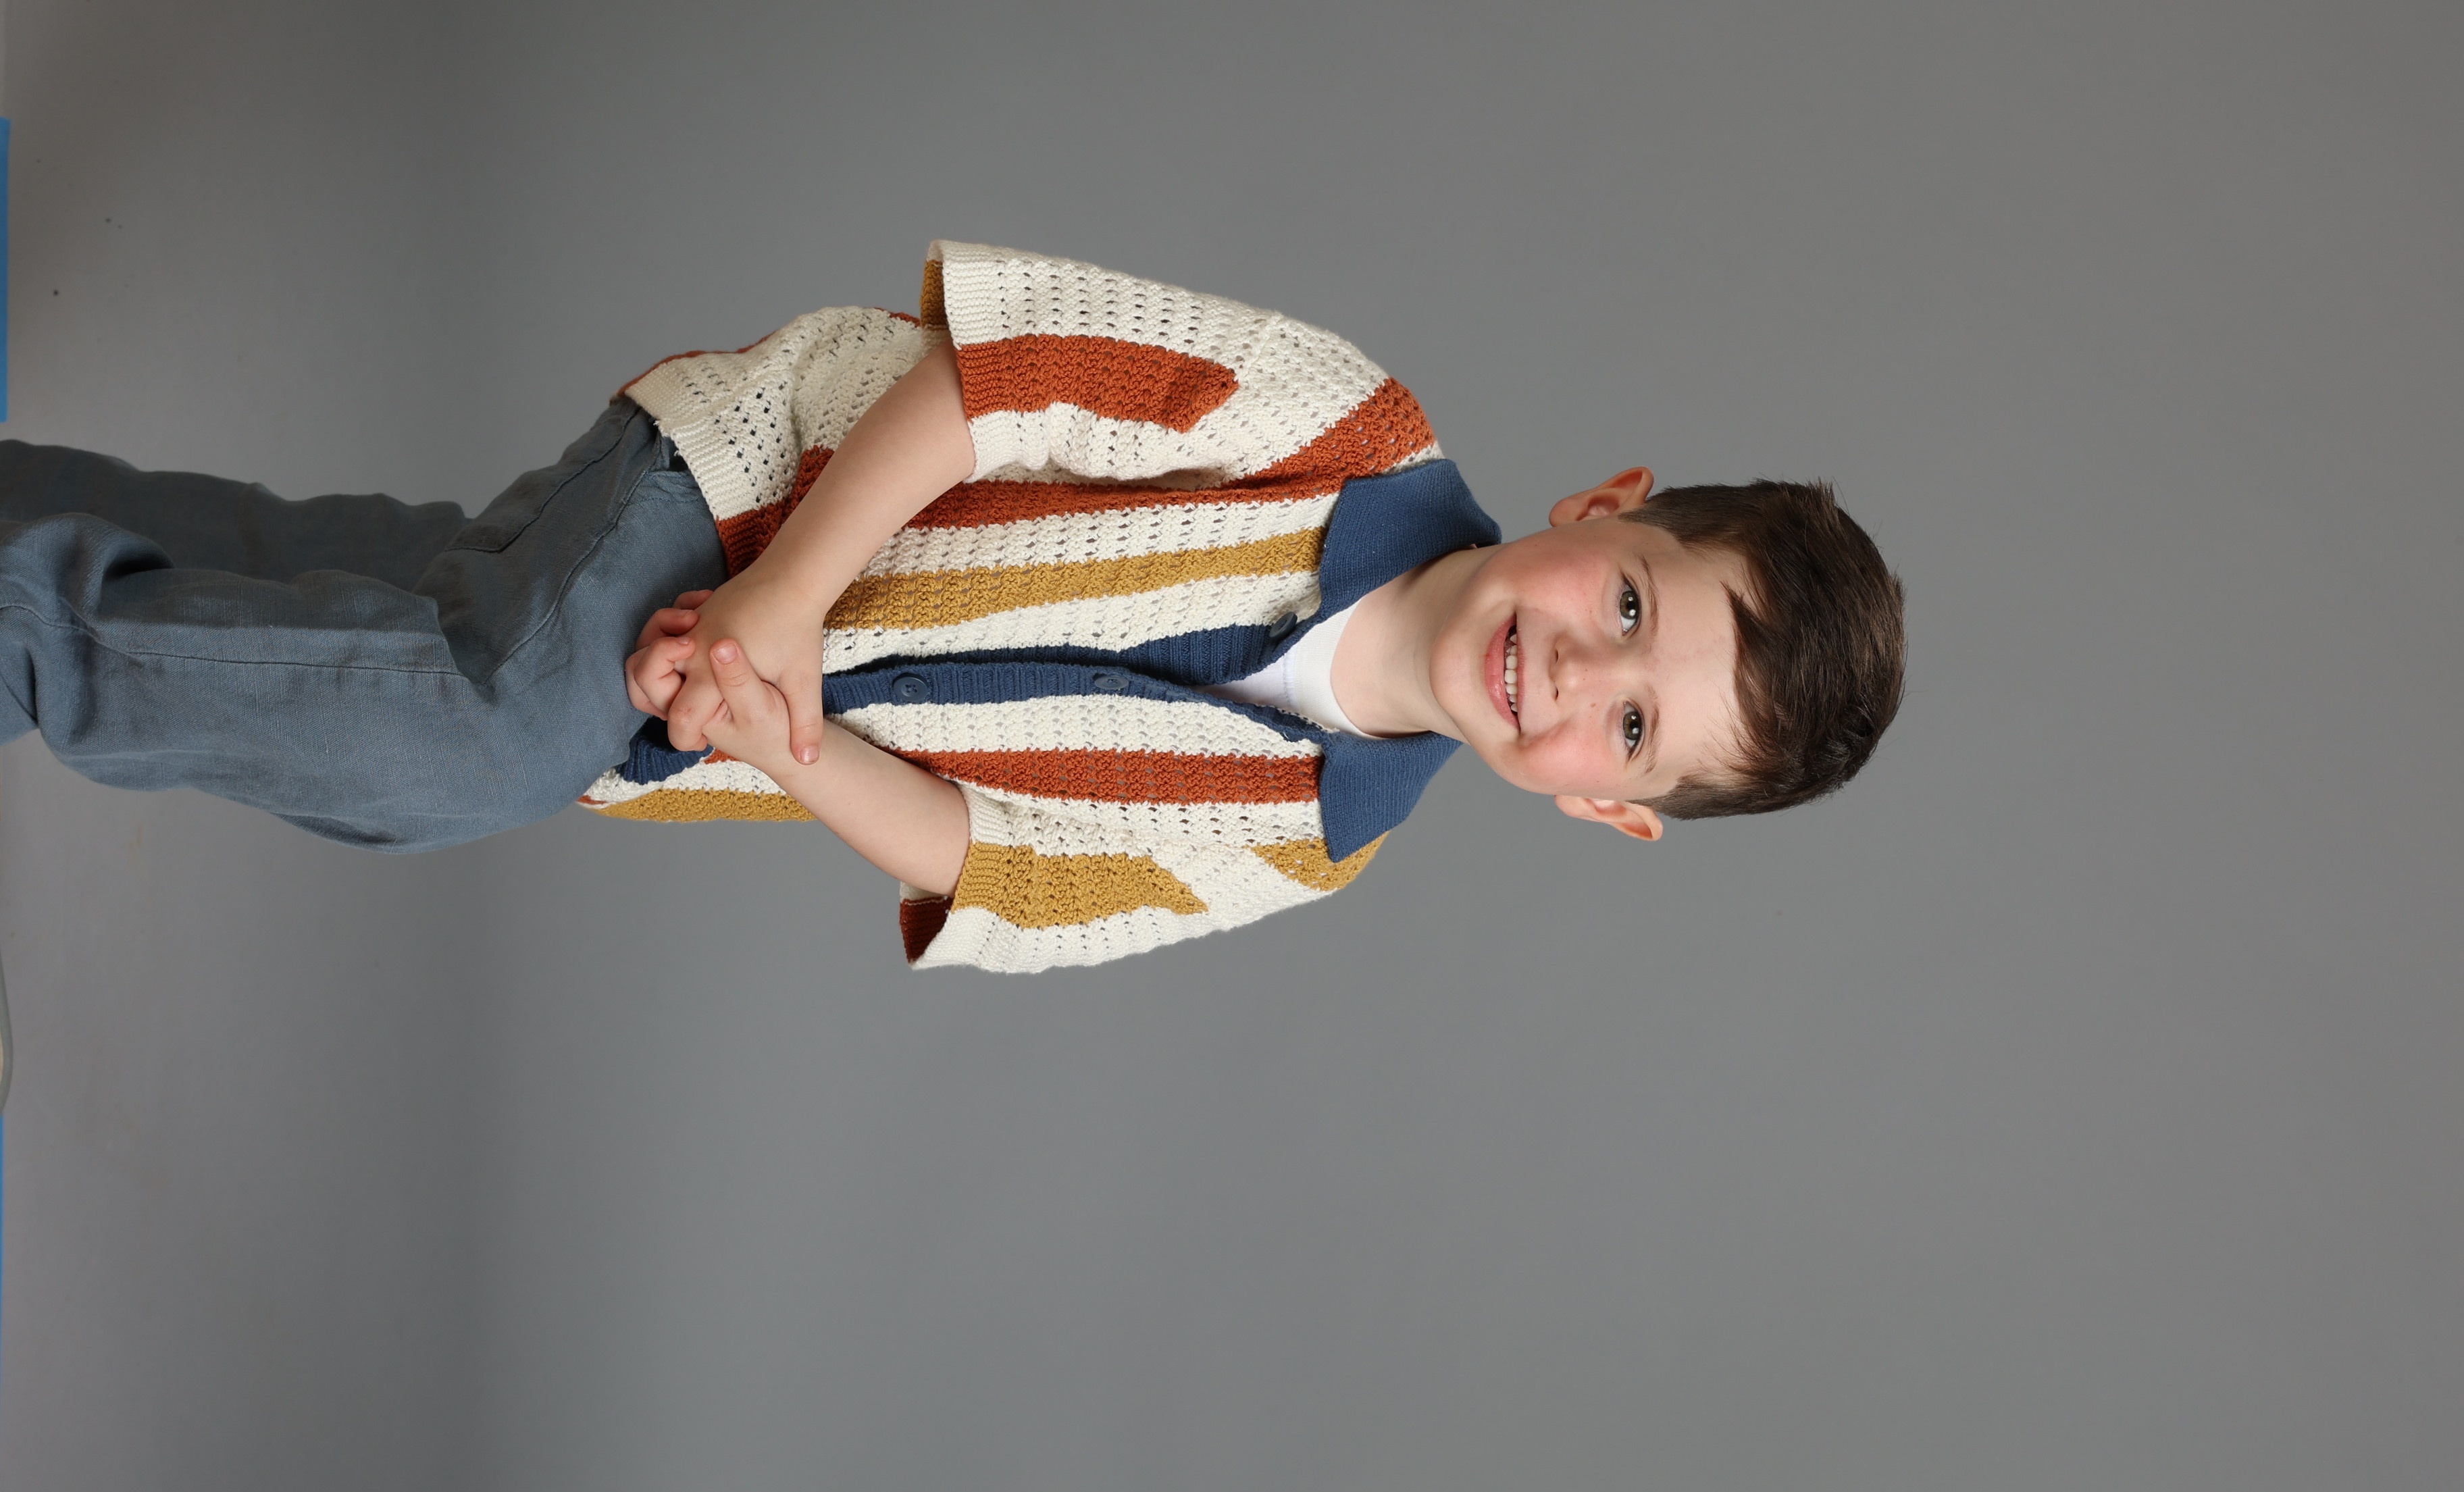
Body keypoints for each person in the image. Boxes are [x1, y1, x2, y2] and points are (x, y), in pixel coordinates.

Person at [0, 242, 1904, 973]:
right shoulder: (1344, 426)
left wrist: (783, 737)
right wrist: (783, 604)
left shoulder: (1307, 844)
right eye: (1629, 603)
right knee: (474, 736)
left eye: (1631, 721)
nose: (1575, 670)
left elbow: (1006, 872)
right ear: (1605, 507)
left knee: (361, 613)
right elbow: (1010, 372)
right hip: (755, 491)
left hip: (724, 700)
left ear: (1607, 804)